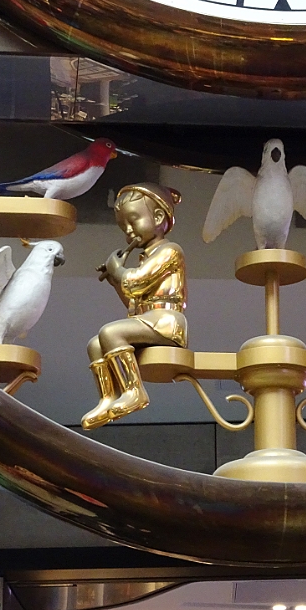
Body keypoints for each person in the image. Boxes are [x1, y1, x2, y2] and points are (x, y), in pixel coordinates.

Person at [83, 183, 187, 429]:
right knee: (95, 344)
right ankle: (108, 397)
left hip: (166, 321)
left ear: (158, 217)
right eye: (124, 227)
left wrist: (118, 271)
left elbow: (136, 282)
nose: (129, 231)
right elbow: (133, 301)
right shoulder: (146, 257)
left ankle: (134, 391)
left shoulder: (170, 251)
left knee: (110, 332)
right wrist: (115, 281)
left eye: (133, 221)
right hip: (149, 319)